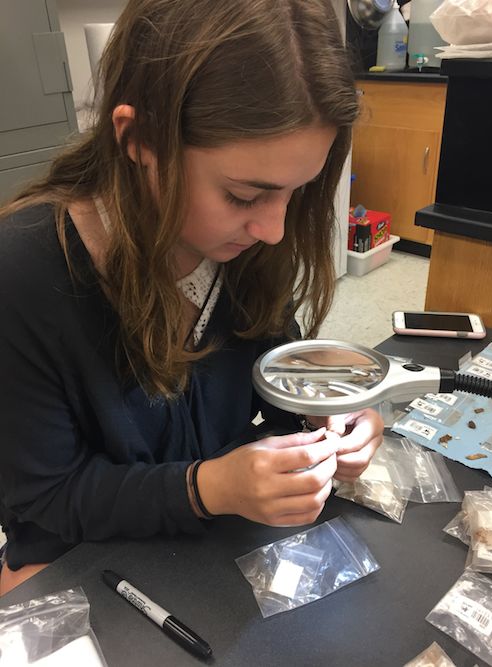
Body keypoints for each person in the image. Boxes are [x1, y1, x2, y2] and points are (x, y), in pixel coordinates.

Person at [0, 0, 383, 595]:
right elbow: (51, 496)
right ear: (138, 139)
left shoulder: (243, 245)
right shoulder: (23, 272)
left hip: (218, 539)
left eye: (295, 192)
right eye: (242, 194)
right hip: (87, 549)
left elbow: (273, 378)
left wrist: (329, 409)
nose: (275, 230)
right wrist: (208, 488)